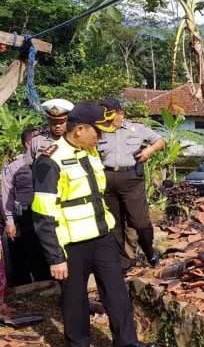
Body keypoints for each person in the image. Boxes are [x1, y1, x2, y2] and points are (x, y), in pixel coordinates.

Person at [31, 101, 156, 347]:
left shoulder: (90, 152)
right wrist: (55, 257)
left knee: (117, 293)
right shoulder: (50, 160)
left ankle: (127, 342)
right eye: (97, 131)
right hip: (72, 244)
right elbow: (43, 213)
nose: (101, 137)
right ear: (79, 130)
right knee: (75, 301)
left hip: (102, 237)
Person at [97, 97, 165, 273]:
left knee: (140, 222)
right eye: (106, 118)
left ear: (121, 113)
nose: (110, 121)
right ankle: (124, 262)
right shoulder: (98, 130)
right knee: (114, 225)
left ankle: (150, 252)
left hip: (131, 178)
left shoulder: (137, 128)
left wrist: (149, 150)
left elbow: (159, 140)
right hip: (106, 178)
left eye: (112, 117)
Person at [1, 128, 50, 286]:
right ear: (28, 144)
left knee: (49, 249)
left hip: (49, 212)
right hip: (27, 214)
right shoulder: (14, 165)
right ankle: (38, 285)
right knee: (30, 251)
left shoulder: (50, 158)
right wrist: (9, 221)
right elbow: (7, 194)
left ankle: (52, 282)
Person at [25, 98, 74, 166]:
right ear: (48, 121)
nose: (57, 126)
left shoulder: (75, 138)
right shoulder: (37, 140)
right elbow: (29, 164)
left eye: (61, 122)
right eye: (53, 123)